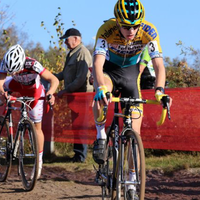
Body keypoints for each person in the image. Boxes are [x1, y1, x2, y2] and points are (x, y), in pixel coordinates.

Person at [92, 0, 172, 199]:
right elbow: (97, 64)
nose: (132, 30)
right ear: (117, 22)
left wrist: (160, 91)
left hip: (130, 75)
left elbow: (159, 66)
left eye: (135, 26)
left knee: (135, 133)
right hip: (109, 71)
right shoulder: (106, 29)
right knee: (100, 95)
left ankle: (131, 183)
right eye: (127, 26)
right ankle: (101, 135)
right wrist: (101, 87)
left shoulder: (149, 31)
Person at [0, 44, 59, 179]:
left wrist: (50, 93)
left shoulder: (32, 64)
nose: (13, 73)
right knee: (2, 92)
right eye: (11, 71)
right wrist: (3, 93)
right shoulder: (5, 63)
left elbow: (53, 79)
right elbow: (1, 80)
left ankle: (38, 162)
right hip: (15, 85)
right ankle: (5, 119)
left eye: (16, 70)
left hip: (34, 91)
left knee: (37, 126)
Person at [54, 28, 93, 163]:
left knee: (81, 126)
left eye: (67, 39)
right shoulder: (73, 53)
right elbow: (65, 74)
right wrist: (50, 77)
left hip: (82, 96)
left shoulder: (83, 53)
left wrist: (65, 90)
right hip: (75, 96)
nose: (65, 42)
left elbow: (81, 79)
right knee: (76, 125)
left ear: (76, 39)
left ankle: (81, 156)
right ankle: (77, 155)